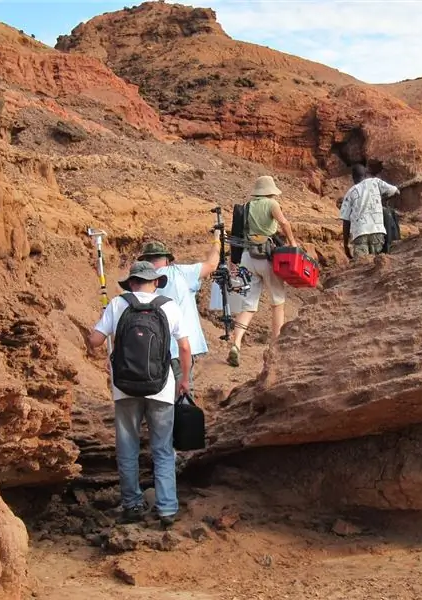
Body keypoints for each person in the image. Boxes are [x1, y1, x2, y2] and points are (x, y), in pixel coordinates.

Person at [86, 261, 192, 528]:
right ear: (155, 282)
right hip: (161, 387)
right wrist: (185, 380)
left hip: (124, 388)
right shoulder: (168, 306)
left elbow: (95, 341)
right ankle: (167, 508)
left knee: (127, 448)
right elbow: (185, 348)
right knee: (163, 449)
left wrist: (95, 340)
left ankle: (132, 504)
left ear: (132, 282)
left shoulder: (118, 304)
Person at [227, 175, 298, 368]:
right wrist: (292, 243)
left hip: (248, 257)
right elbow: (284, 224)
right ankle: (275, 347)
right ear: (270, 191)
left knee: (249, 304)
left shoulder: (249, 205)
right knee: (277, 301)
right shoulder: (271, 204)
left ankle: (236, 343)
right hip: (267, 256)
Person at [137, 239, 219, 397]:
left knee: (159, 396)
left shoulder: (141, 282)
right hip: (180, 347)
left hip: (151, 349)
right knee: (183, 392)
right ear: (167, 259)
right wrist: (216, 242)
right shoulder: (180, 272)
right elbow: (211, 265)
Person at [340, 162, 399, 259]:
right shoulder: (375, 182)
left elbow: (346, 221)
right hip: (377, 232)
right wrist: (380, 200)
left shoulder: (350, 193)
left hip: (360, 233)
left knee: (362, 265)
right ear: (365, 175)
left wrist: (346, 245)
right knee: (376, 263)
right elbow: (396, 191)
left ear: (353, 177)